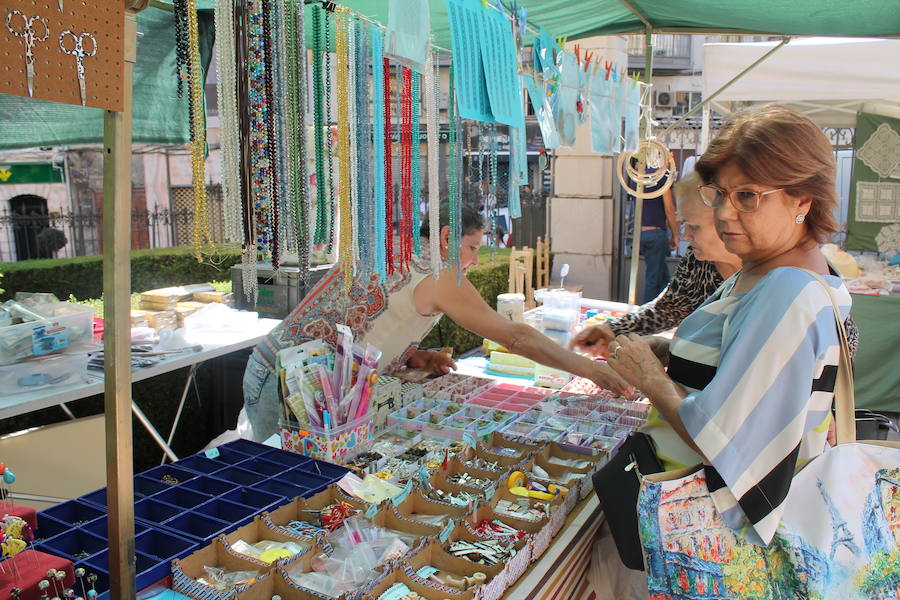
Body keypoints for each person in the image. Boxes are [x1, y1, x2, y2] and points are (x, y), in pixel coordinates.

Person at [592, 106, 852, 598]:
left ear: (803, 199)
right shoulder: (773, 272)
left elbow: (722, 438)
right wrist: (669, 350)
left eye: (748, 196)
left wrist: (651, 376)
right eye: (720, 194)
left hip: (712, 532)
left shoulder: (786, 289)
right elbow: (744, 366)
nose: (725, 213)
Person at [242, 202, 627, 442]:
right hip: (286, 380)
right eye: (473, 247)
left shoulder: (405, 252)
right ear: (446, 237)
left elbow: (373, 321)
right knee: (284, 487)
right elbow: (516, 338)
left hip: (296, 377)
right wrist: (592, 371)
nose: (475, 260)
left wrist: (414, 356)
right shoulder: (438, 269)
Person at [573, 172, 859, 359]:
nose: (684, 236)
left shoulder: (786, 278)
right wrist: (615, 330)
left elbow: (840, 349)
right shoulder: (701, 263)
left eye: (693, 226)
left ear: (727, 222)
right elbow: (668, 309)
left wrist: (654, 376)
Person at [633, 164, 679, 303]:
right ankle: (646, 315)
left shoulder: (639, 177)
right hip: (657, 234)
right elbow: (669, 209)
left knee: (663, 278)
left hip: (641, 233)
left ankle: (667, 310)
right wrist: (676, 235)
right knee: (653, 279)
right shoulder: (662, 177)